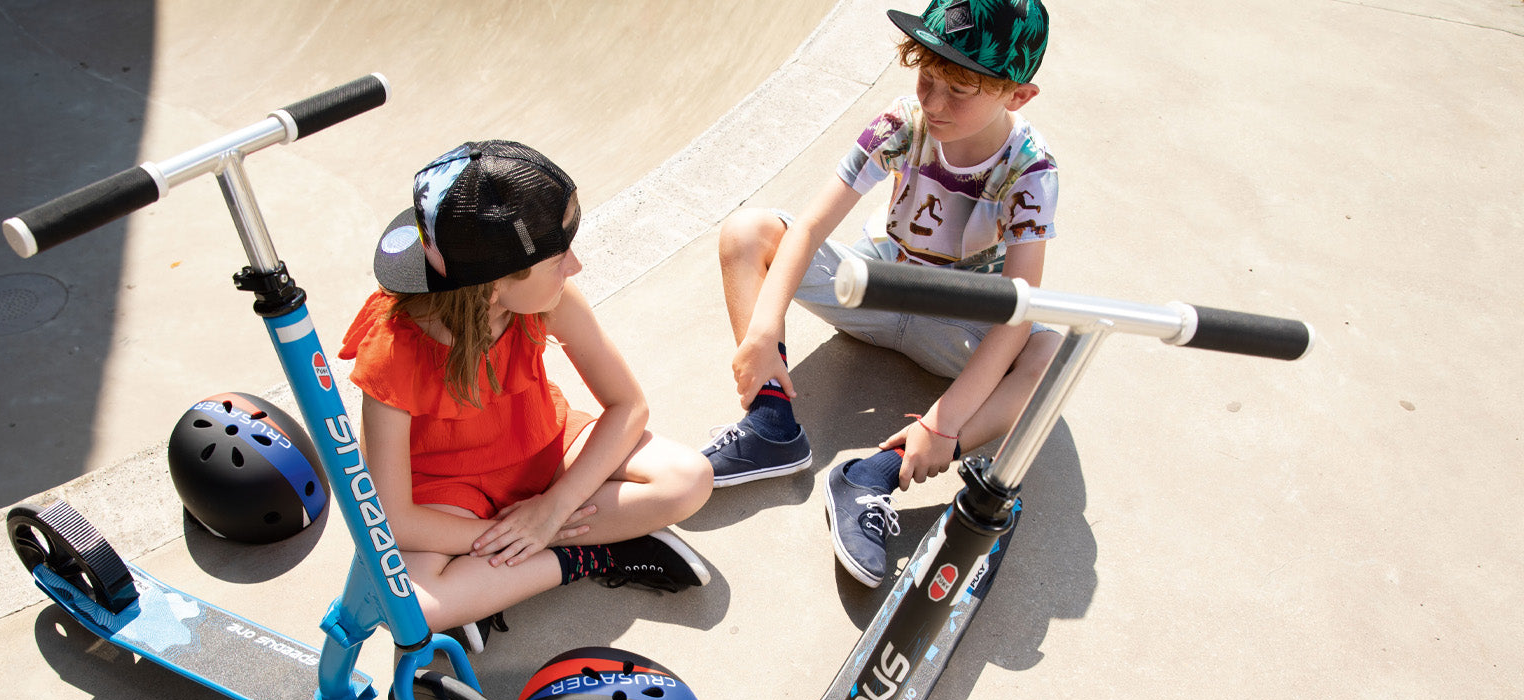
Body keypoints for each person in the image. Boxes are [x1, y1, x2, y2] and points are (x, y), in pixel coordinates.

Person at [702, 0, 1062, 587]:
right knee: (749, 230)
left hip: (957, 321)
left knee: (1050, 360)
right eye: (927, 79)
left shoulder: (1031, 170)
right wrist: (764, 332)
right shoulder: (902, 123)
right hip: (875, 284)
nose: (934, 102)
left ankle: (873, 475)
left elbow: (1016, 314)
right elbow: (813, 226)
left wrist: (944, 425)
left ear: (1017, 95)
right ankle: (771, 421)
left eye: (960, 91)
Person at [341, 141, 713, 633]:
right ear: (495, 285)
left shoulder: (547, 300)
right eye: (559, 258)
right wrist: (525, 535)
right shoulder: (391, 350)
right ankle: (590, 556)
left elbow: (628, 406)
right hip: (448, 492)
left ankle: (493, 580)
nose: (575, 266)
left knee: (688, 479)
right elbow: (393, 518)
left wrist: (550, 511)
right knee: (411, 609)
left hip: (543, 446)